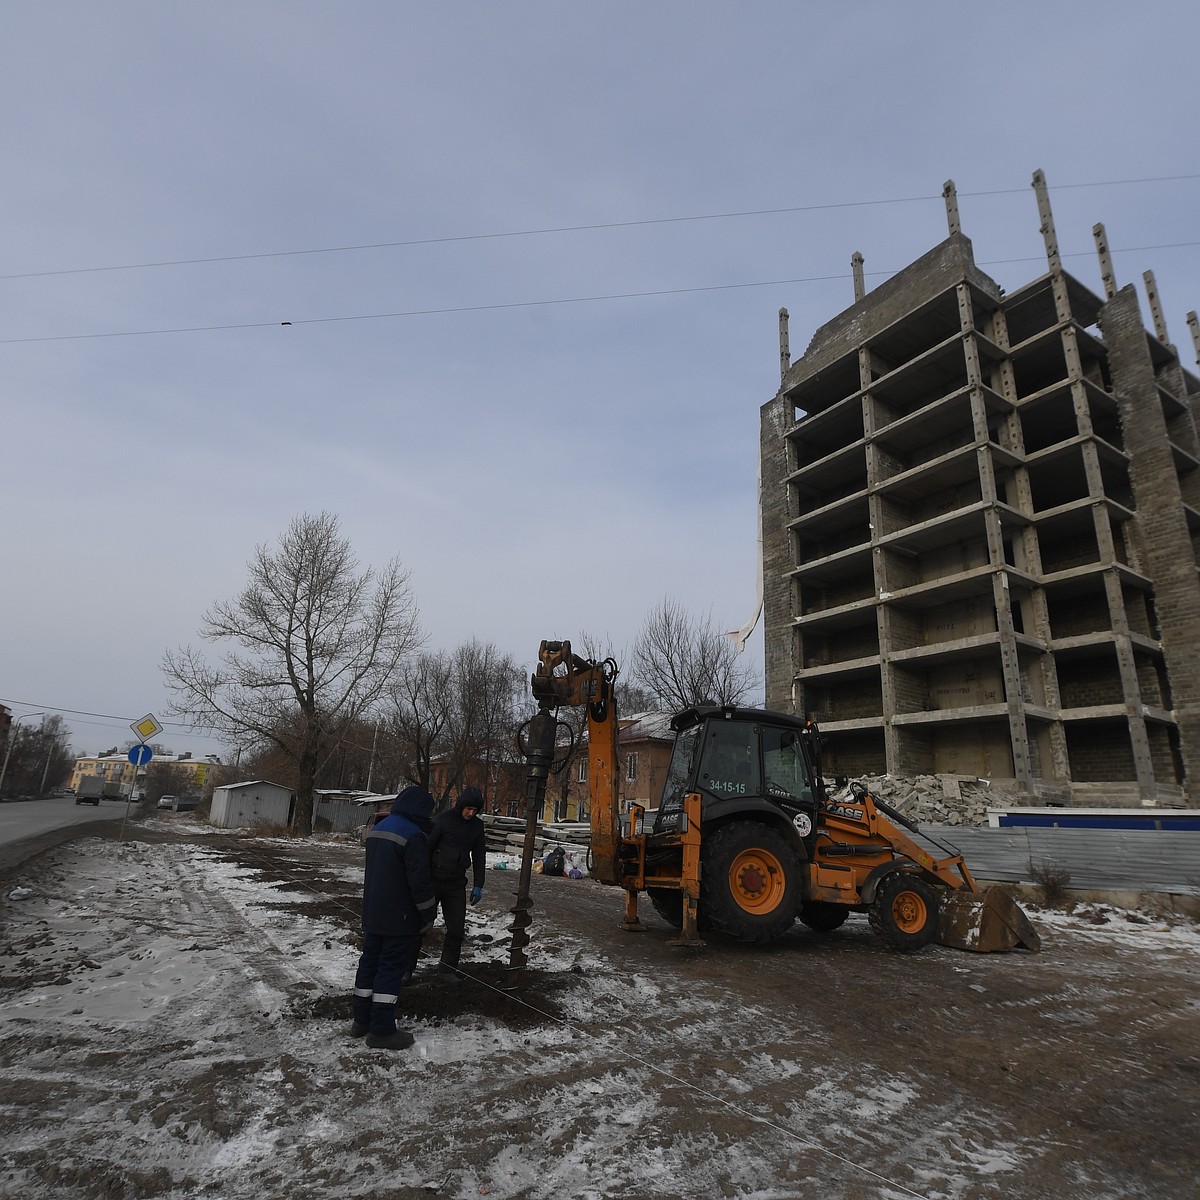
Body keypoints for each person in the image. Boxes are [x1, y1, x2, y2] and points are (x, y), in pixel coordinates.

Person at [350, 785, 437, 1050]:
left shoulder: (379, 829)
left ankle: (360, 1021)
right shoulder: (413, 836)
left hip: (373, 912)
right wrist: (428, 913)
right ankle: (382, 1030)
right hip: (399, 917)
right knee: (390, 969)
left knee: (369, 964)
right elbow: (419, 881)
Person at [423, 784, 487, 983]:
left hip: (456, 884)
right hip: (433, 881)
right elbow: (426, 850)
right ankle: (406, 969)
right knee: (421, 927)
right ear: (460, 806)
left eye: (475, 810)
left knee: (456, 930)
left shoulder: (477, 827)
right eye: (468, 809)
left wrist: (478, 884)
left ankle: (447, 970)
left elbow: (479, 856)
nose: (470, 813)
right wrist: (420, 880)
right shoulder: (442, 821)